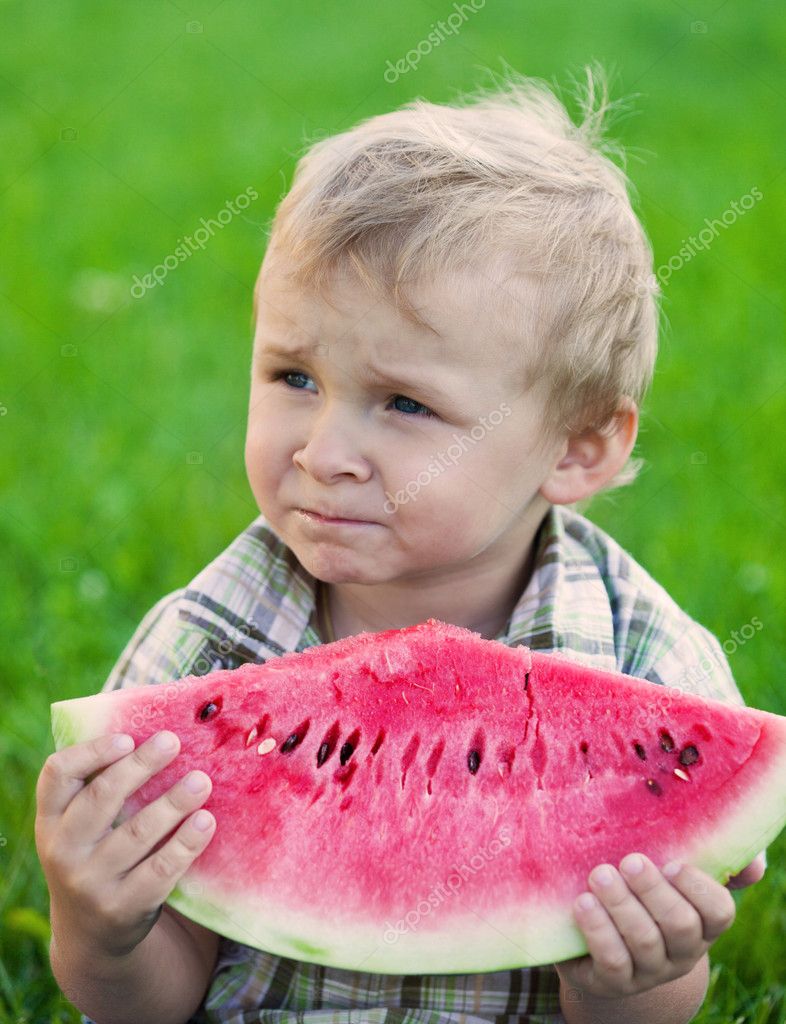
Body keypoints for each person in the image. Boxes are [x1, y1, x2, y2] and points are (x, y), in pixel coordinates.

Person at [35, 66, 766, 1024]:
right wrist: (101, 928)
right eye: (293, 376)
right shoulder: (202, 646)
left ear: (580, 448)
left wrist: (631, 980)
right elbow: (151, 1004)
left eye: (407, 404)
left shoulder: (655, 671)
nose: (325, 452)